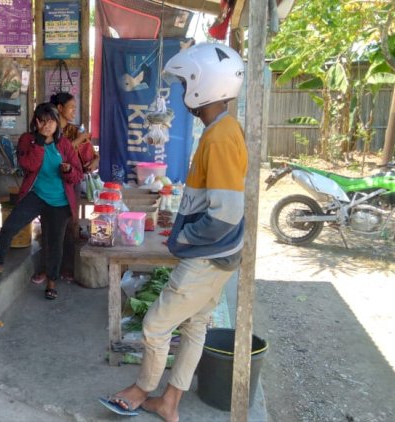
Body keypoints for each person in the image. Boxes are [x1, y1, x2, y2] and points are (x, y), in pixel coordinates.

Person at [99, 43, 246, 422]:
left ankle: (142, 389)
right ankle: (169, 403)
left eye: (185, 85)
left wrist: (183, 238)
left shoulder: (221, 137)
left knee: (155, 325)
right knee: (195, 325)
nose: (182, 94)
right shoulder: (222, 130)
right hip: (219, 257)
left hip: (208, 257)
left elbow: (225, 216)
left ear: (204, 85)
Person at [0, 103, 83, 300]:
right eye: (43, 121)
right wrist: (41, 141)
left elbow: (78, 175)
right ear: (36, 122)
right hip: (36, 195)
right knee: (10, 226)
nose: (48, 125)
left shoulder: (65, 144)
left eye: (51, 120)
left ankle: (52, 282)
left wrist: (68, 170)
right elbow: (29, 165)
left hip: (59, 201)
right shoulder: (28, 140)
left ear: (57, 123)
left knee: (54, 243)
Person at [31, 92, 99, 285]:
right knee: (46, 225)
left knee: (69, 225)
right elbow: (61, 149)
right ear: (59, 109)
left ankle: (66, 267)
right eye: (71, 107)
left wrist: (95, 160)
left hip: (70, 183)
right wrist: (81, 139)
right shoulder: (45, 131)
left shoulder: (75, 131)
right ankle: (45, 268)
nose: (74, 111)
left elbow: (93, 155)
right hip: (47, 184)